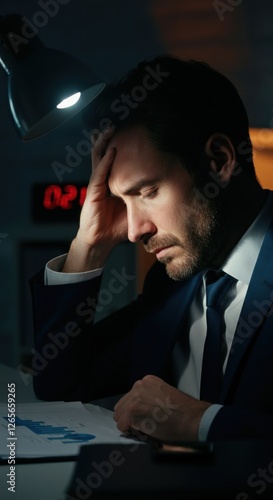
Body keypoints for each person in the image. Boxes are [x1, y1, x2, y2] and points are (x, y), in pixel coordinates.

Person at [30, 55, 273, 442]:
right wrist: (87, 248)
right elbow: (60, 384)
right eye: (121, 200)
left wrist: (203, 422)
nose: (134, 231)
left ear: (220, 161)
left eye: (147, 191)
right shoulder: (170, 286)